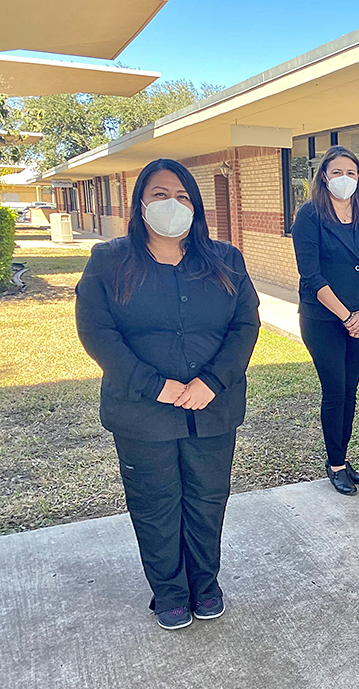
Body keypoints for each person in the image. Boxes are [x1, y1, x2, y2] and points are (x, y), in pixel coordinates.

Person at [75, 158, 260, 630]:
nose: (172, 204)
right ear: (140, 203)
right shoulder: (108, 262)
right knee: (156, 505)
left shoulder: (226, 260)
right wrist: (155, 386)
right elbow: (97, 332)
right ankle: (170, 593)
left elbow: (245, 324)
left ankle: (205, 585)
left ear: (195, 206)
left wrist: (212, 382)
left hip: (211, 410)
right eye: (160, 195)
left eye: (182, 196)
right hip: (141, 413)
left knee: (206, 500)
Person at [292, 145, 359, 495]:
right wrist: (348, 316)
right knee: (335, 390)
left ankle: (343, 457)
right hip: (325, 320)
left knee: (350, 390)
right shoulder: (309, 216)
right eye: (336, 173)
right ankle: (334, 464)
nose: (344, 179)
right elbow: (312, 276)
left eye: (351, 172)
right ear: (323, 177)